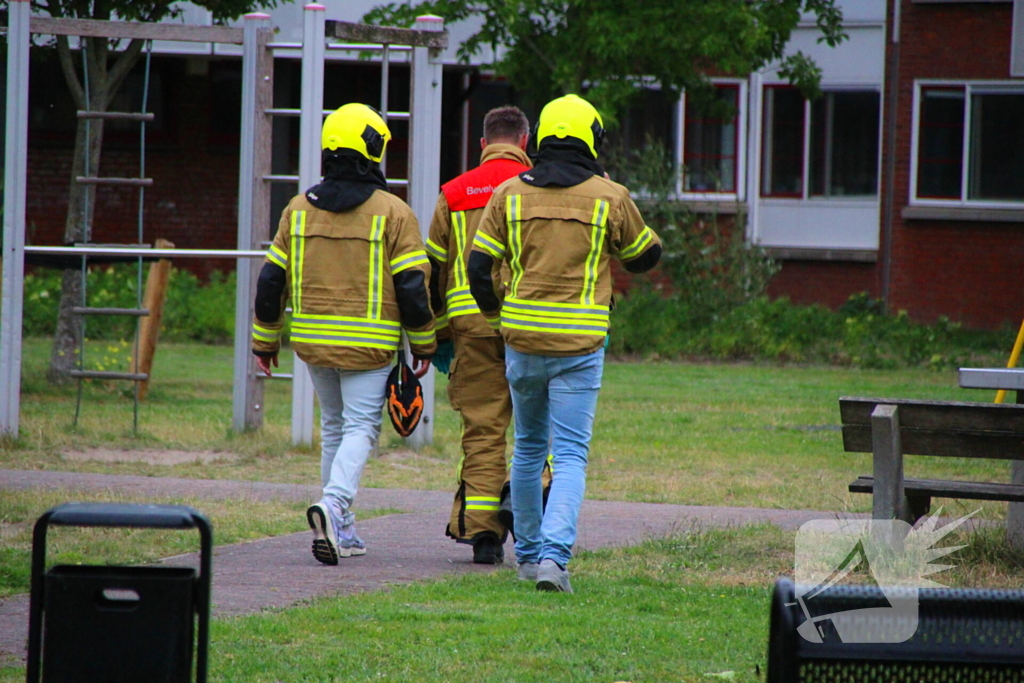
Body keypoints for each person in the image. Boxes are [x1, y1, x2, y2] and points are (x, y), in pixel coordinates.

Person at [467, 94, 662, 592]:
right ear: (592, 138)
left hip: (522, 341)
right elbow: (645, 255)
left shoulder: (509, 193)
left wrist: (497, 317)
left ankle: (528, 557)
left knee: (529, 448)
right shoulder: (609, 196)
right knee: (571, 454)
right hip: (579, 345)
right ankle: (556, 559)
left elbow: (477, 267)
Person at [252, 103, 435, 566]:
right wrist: (425, 343)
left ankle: (343, 528)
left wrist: (265, 341)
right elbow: (413, 287)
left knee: (334, 427)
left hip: (313, 344)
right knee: (360, 428)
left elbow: (271, 281)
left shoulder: (297, 209)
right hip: (368, 346)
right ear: (372, 150)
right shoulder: (393, 212)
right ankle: (334, 504)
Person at [425, 106, 532, 565]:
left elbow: (434, 269)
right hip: (530, 326)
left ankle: (484, 534)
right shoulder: (540, 189)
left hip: (470, 329)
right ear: (525, 143)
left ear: (483, 144)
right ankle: (526, 501)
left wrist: (438, 332)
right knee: (539, 427)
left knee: (484, 433)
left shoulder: (455, 192)